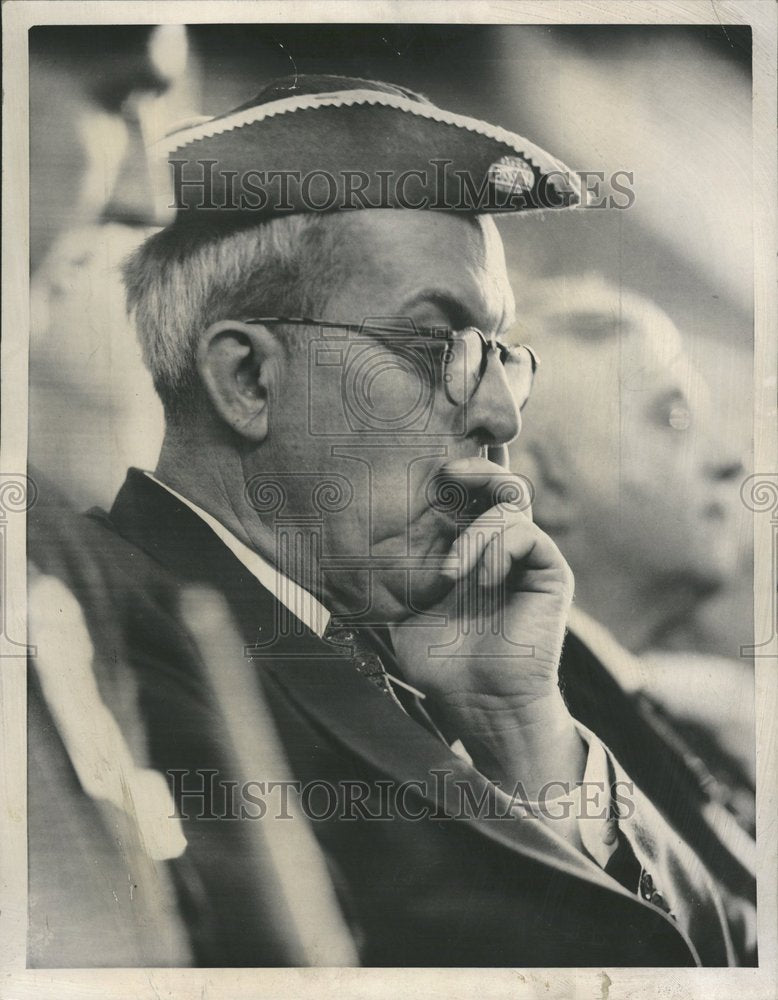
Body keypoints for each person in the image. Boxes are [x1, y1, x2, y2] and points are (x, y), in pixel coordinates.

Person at [28, 74, 750, 967]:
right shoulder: (119, 645)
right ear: (248, 380)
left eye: (500, 356)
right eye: (437, 346)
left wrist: (520, 725)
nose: (501, 414)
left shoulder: (391, 654)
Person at [505, 274, 755, 948]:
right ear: (541, 481)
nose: (731, 461)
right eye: (671, 417)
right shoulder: (536, 734)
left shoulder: (675, 716)